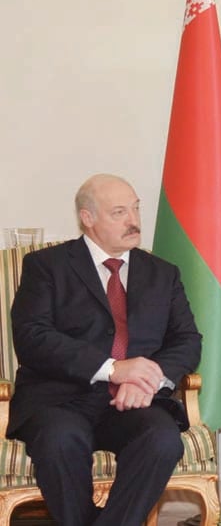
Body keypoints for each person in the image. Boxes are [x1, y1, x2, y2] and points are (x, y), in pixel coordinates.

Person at [9, 173, 202, 526]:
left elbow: (187, 340)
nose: (133, 220)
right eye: (118, 212)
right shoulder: (47, 267)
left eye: (135, 209)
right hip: (61, 399)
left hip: (135, 402)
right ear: (88, 217)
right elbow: (32, 337)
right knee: (60, 441)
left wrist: (146, 380)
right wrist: (113, 369)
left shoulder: (163, 273)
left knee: (162, 440)